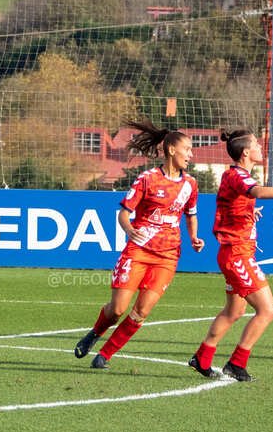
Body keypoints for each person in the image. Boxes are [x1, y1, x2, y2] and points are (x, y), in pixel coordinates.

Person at [73, 118, 204, 369]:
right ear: (171, 150)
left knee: (141, 311)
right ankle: (95, 333)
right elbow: (124, 213)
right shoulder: (148, 179)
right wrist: (130, 230)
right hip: (139, 251)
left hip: (168, 256)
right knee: (117, 309)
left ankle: (105, 355)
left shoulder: (190, 184)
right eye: (187, 149)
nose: (191, 154)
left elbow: (191, 214)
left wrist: (194, 238)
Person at [188, 129, 273, 382]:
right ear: (246, 152)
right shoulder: (238, 175)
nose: (260, 147)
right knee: (267, 310)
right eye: (256, 144)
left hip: (235, 252)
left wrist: (248, 212)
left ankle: (202, 358)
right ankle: (237, 363)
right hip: (237, 254)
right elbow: (256, 192)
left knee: (234, 311)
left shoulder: (236, 176)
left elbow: (233, 203)